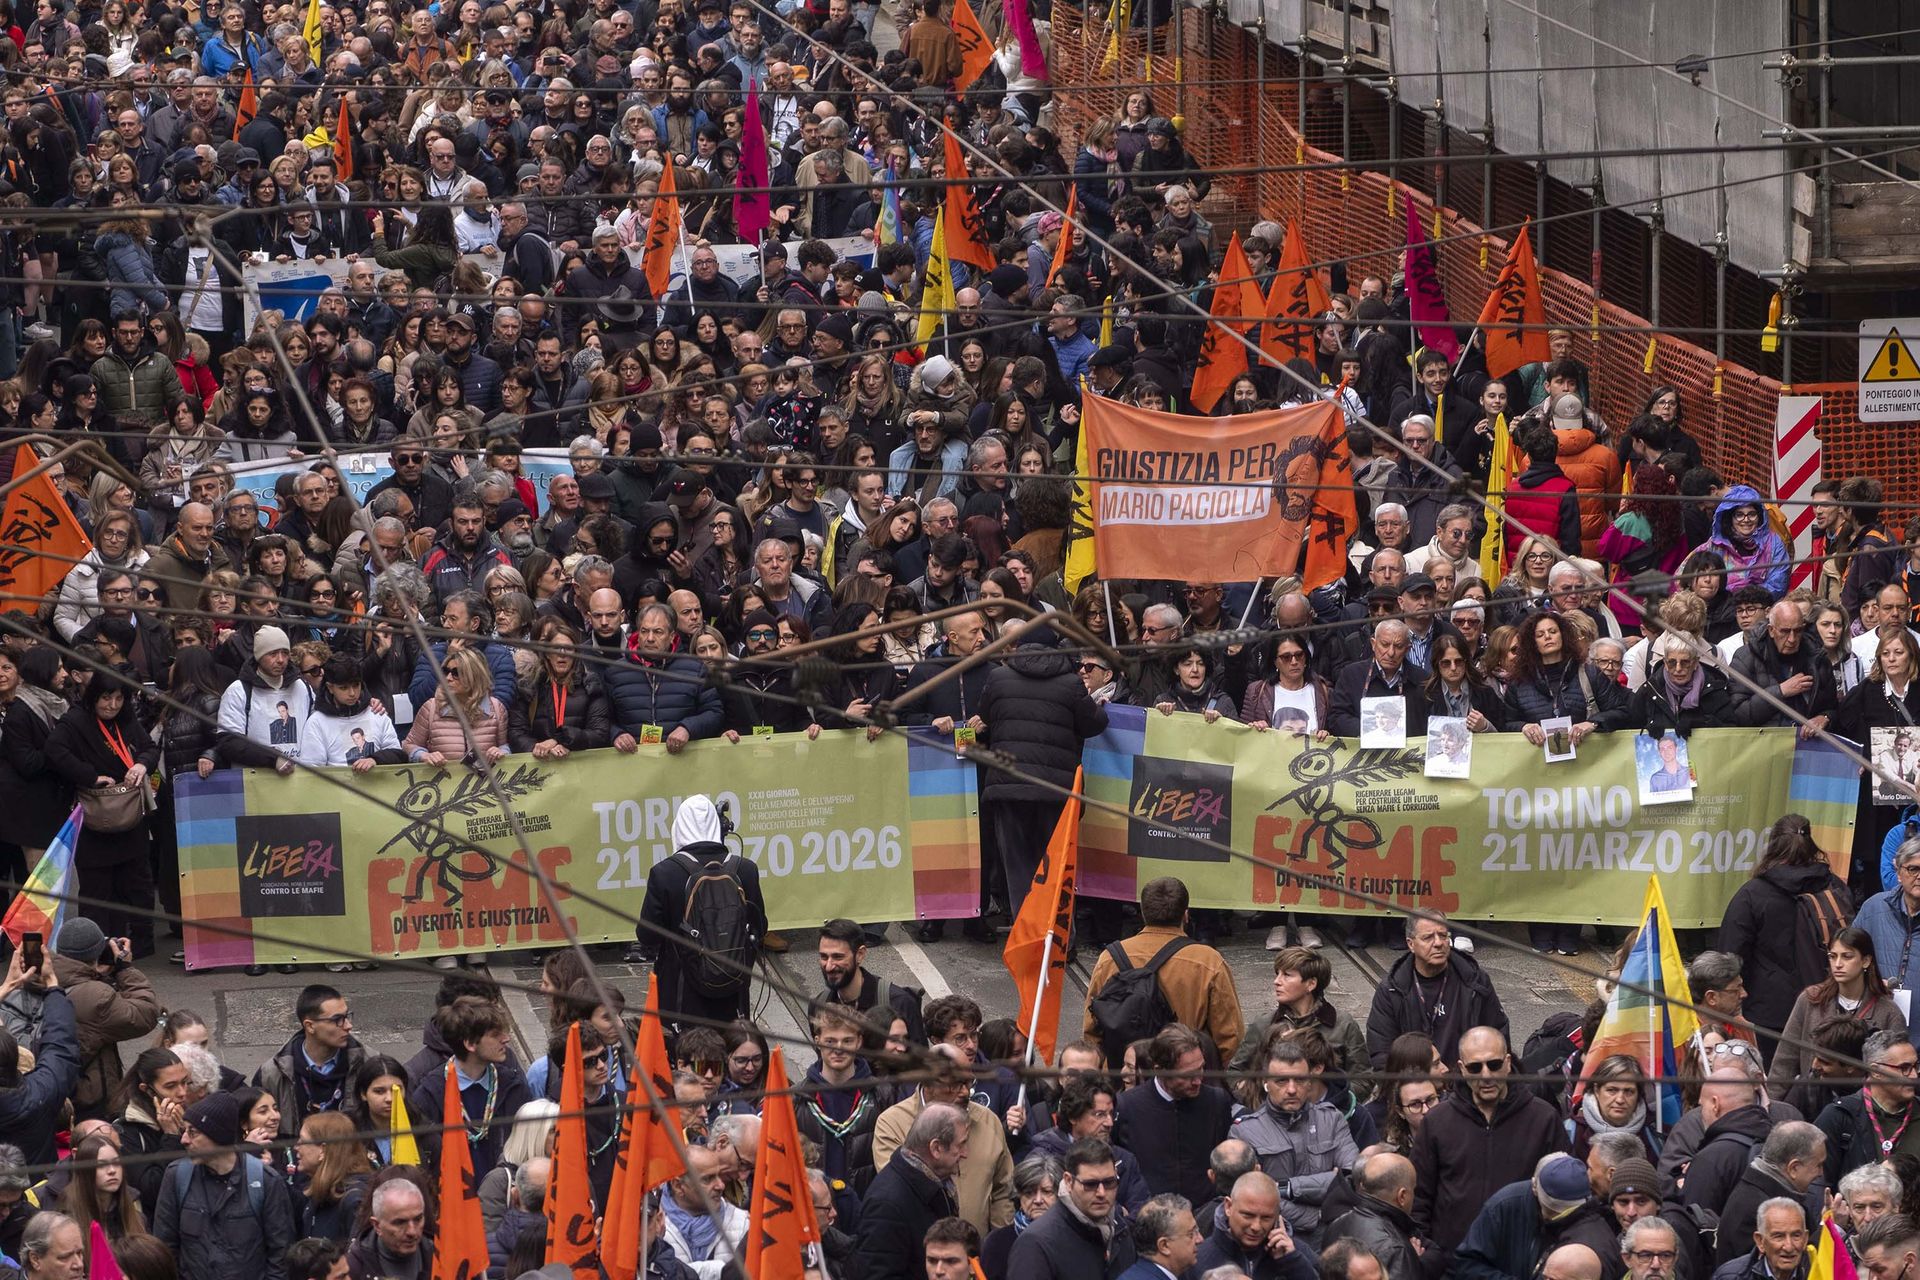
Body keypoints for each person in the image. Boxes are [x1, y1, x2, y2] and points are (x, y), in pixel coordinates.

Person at [1410, 1026, 1568, 1264]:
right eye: (1475, 1067)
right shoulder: (1437, 1122)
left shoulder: (1543, 1119)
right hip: (1453, 1265)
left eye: (1493, 1065)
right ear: (1462, 1069)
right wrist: (1431, 1256)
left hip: (1520, 1263)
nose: (1486, 1076)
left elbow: (1563, 1194)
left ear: (1507, 1063)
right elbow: (1419, 1197)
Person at [977, 638, 1109, 920]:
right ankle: (1061, 939)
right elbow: (1093, 725)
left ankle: (1025, 937)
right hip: (1056, 790)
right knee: (1056, 865)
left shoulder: (998, 677)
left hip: (1008, 787)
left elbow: (986, 715)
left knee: (1017, 867)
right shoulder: (1071, 683)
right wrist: (1097, 706)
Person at [1718, 815, 1855, 1055]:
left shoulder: (1752, 894)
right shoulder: (1833, 886)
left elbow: (1730, 955)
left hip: (1769, 1013)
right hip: (1829, 1004)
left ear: (1773, 845)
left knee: (1775, 1084)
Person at [1082, 877, 1245, 1065]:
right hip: (1181, 1078)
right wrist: (1196, 1073)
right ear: (1185, 915)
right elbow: (1229, 1036)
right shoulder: (1208, 961)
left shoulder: (1109, 958)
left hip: (1124, 1079)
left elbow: (1091, 1030)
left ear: (1142, 913)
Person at [1228, 1035, 1359, 1245]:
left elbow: (1351, 1180)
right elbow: (1253, 1200)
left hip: (1336, 1239)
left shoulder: (1331, 1119)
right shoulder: (1245, 1132)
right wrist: (1316, 1215)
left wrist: (1285, 1187)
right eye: (1281, 1081)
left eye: (1299, 1080)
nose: (1291, 1089)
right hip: (1274, 1242)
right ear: (1266, 1083)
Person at [152, 1091, 298, 1280]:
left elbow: (281, 1255)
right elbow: (165, 1249)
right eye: (184, 1131)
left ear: (218, 1136)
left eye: (193, 1132)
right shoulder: (177, 1176)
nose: (184, 1140)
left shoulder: (265, 1181)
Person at [47, 918, 157, 1124]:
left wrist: (96, 976)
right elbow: (145, 1014)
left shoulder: (39, 976)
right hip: (87, 1101)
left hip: (50, 1088)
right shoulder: (97, 995)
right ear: (97, 952)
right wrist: (125, 969)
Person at [1768, 926, 1908, 1089]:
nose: (1838, 964)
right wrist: (1773, 1107)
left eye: (1847, 957)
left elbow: (1898, 1070)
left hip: (1864, 1107)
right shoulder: (1810, 1000)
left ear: (1866, 961)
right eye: (1832, 956)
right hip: (1813, 1103)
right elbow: (1784, 1060)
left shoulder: (1889, 1012)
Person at [1114, 1024, 1237, 1208]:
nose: (1198, 1081)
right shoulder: (1126, 1107)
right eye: (1187, 1075)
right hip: (1149, 1217)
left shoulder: (1216, 1101)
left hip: (1203, 1216)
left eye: (1201, 1068)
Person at [1366, 913, 1507, 1067]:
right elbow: (1382, 1054)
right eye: (1428, 938)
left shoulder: (1476, 982)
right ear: (1411, 944)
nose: (1438, 943)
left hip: (1468, 1082)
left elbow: (1499, 1037)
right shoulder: (1391, 990)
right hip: (1416, 1085)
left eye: (1443, 935)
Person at [855, 1102, 970, 1280]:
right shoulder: (886, 1204)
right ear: (936, 1148)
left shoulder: (934, 1184)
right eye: (961, 1144)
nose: (965, 1153)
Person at [1006, 1137, 1138, 1279]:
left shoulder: (1119, 1230)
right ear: (1069, 1181)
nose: (1101, 1193)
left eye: (1109, 1182)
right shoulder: (1035, 1243)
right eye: (1090, 1184)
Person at [250, 984, 367, 1137]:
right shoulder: (271, 1074)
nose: (348, 1026)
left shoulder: (369, 1063)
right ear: (310, 1026)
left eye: (347, 1016)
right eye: (337, 1019)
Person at [1194, 1171, 1318, 1280]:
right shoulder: (1197, 1260)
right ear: (1228, 1206)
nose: (1256, 1227)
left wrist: (1293, 1263)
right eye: (1248, 1215)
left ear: (1277, 1215)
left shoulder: (1296, 1253)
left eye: (1266, 1218)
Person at [1322, 1153, 1423, 1280]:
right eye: (1413, 1190)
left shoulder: (1335, 1225)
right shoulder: (1397, 1248)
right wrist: (1413, 1263)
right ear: (1402, 1196)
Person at [1713, 1198, 1811, 1280]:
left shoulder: (1818, 1274)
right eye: (1779, 1236)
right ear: (1760, 1241)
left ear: (1805, 1239)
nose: (1789, 1247)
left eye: (1796, 1236)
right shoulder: (1732, 1277)